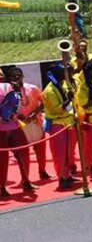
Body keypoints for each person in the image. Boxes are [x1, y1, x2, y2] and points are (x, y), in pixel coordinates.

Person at [42, 63, 78, 189]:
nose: (65, 74)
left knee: (68, 152)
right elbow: (57, 109)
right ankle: (61, 178)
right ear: (56, 74)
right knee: (59, 154)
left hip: (68, 121)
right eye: (62, 72)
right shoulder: (49, 90)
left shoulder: (62, 85)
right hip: (57, 123)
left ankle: (67, 175)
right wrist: (68, 99)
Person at [0, 66, 33, 195]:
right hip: (1, 130)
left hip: (15, 127)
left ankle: (26, 181)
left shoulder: (10, 87)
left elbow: (18, 105)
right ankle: (1, 186)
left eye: (2, 74)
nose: (1, 76)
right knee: (2, 159)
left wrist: (18, 91)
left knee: (24, 153)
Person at [15, 67, 49, 180]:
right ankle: (25, 178)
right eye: (13, 76)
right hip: (19, 126)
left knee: (41, 150)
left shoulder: (32, 88)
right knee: (23, 154)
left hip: (36, 123)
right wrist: (16, 116)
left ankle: (42, 171)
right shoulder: (7, 92)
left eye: (18, 75)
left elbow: (44, 102)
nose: (16, 77)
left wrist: (34, 113)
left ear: (22, 76)